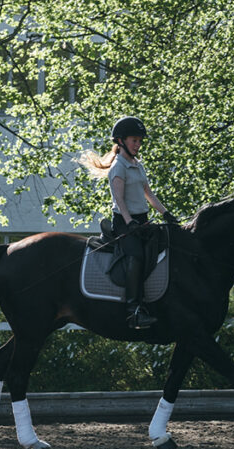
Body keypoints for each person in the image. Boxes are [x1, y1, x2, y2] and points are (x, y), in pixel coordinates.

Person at [77, 116, 179, 329]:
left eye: (140, 141)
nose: (138, 144)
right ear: (121, 141)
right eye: (134, 140)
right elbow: (119, 199)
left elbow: (148, 193)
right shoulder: (119, 167)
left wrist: (166, 213)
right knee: (136, 256)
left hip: (141, 220)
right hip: (124, 223)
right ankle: (133, 311)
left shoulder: (137, 164)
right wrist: (129, 221)